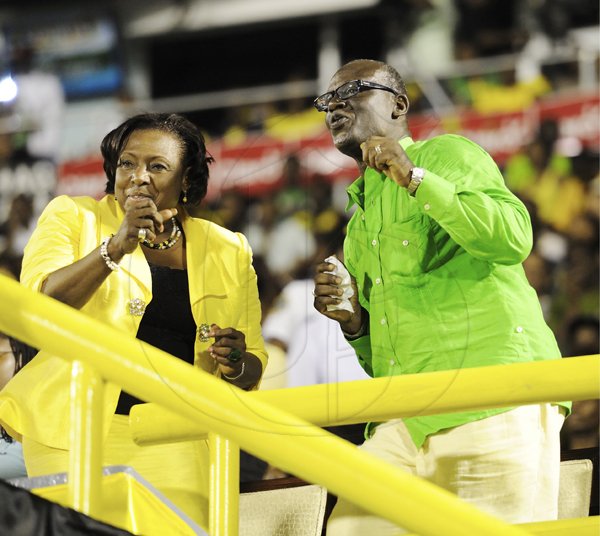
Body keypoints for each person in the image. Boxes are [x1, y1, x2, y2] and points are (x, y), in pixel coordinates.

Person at [312, 59, 569, 534]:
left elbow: (512, 238)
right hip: (405, 418)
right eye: (327, 100)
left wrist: (414, 178)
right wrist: (354, 324)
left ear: (398, 105)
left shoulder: (447, 154)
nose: (335, 106)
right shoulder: (356, 227)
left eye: (354, 91)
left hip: (492, 398)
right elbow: (381, 360)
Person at [0, 113, 267, 529]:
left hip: (181, 436)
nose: (138, 177)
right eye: (127, 163)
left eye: (156, 166)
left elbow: (252, 366)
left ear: (186, 179)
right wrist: (115, 247)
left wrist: (235, 361)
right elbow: (40, 308)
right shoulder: (73, 216)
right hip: (72, 430)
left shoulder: (229, 249)